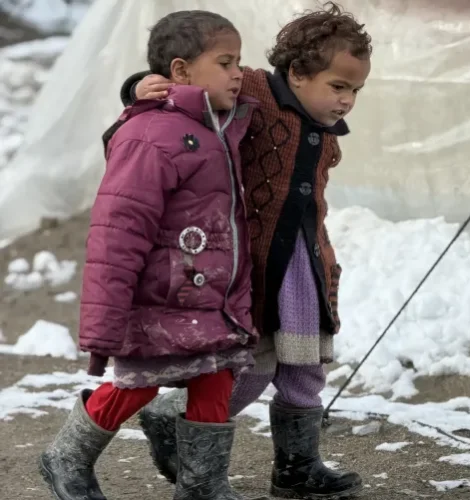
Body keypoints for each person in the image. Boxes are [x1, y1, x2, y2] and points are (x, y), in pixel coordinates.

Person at [115, 2, 372, 498]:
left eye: (355, 90)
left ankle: (297, 470)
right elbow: (191, 85)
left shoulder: (324, 131)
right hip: (251, 263)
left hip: (302, 263)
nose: (347, 101)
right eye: (338, 87)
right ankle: (176, 420)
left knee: (305, 365)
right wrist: (138, 87)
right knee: (253, 365)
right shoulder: (254, 89)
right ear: (296, 73)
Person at [38, 10, 257, 500]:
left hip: (209, 294)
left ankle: (202, 485)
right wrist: (105, 319)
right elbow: (118, 230)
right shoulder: (149, 135)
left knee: (215, 376)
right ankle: (67, 456)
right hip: (162, 293)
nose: (238, 72)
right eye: (226, 62)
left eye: (239, 61)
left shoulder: (221, 125)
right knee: (141, 381)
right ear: (180, 71)